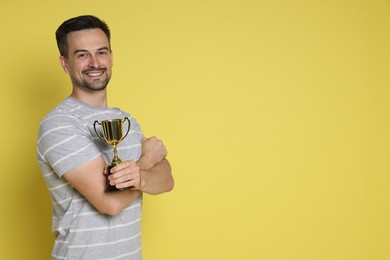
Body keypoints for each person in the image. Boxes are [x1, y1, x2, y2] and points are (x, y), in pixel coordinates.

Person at [37, 15, 174, 260]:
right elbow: (109, 204)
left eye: (101, 52)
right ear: (65, 63)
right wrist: (145, 163)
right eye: (82, 55)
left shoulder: (126, 120)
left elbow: (166, 180)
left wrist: (139, 176)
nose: (94, 63)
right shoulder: (59, 124)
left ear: (111, 57)